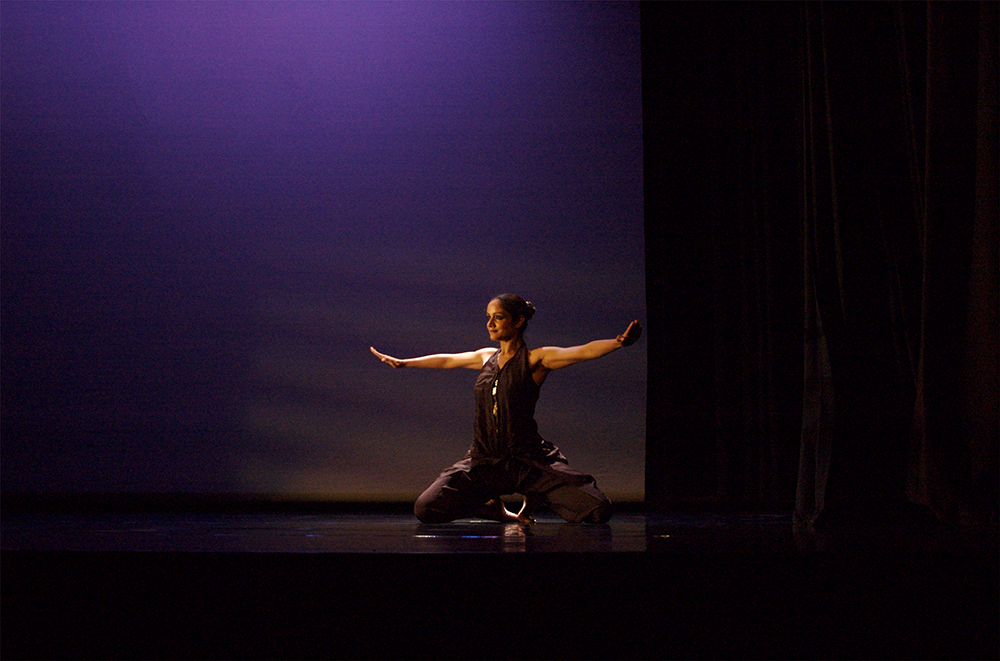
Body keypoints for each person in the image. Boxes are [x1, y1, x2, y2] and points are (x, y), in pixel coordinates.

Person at [370, 293, 641, 525]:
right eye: (488, 317)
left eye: (498, 317)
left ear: (518, 321)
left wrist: (619, 342)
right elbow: (447, 360)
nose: (490, 323)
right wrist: (404, 363)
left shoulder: (535, 359)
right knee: (426, 508)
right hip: (485, 461)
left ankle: (539, 495)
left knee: (598, 510)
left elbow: (581, 351)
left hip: (528, 461)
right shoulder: (486, 357)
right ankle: (494, 509)